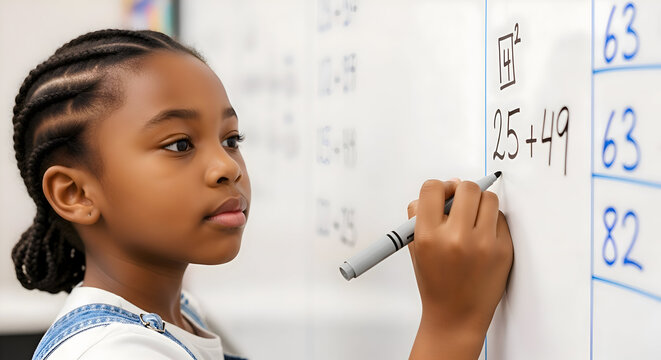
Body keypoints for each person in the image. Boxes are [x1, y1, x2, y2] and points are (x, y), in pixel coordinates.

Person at [10, 28, 513, 360]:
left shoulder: (177, 313)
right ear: (74, 193)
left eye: (231, 140)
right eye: (179, 144)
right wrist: (451, 326)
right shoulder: (115, 355)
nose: (226, 166)